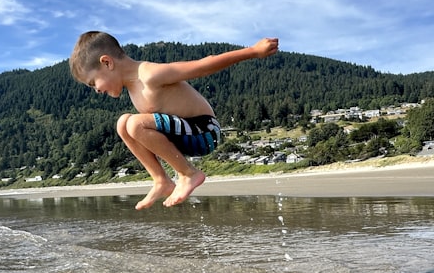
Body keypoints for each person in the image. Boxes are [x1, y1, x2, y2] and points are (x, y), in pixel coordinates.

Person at [70, 32, 279, 209]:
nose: (96, 90)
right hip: (185, 134)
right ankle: (161, 180)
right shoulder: (134, 89)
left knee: (134, 123)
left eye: (92, 83)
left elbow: (204, 65)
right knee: (123, 123)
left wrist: (253, 51)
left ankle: (189, 174)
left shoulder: (149, 75)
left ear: (107, 62)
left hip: (205, 131)